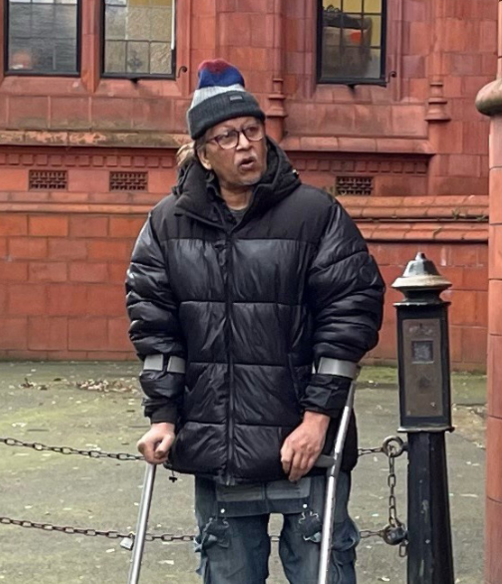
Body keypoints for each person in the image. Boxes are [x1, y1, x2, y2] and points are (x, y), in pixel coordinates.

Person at [126, 60, 385, 584]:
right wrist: (163, 417)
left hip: (303, 445)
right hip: (218, 446)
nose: (244, 145)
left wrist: (317, 421)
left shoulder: (315, 214)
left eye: (251, 131)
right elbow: (156, 327)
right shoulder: (167, 224)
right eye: (227, 136)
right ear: (202, 152)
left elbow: (350, 314)